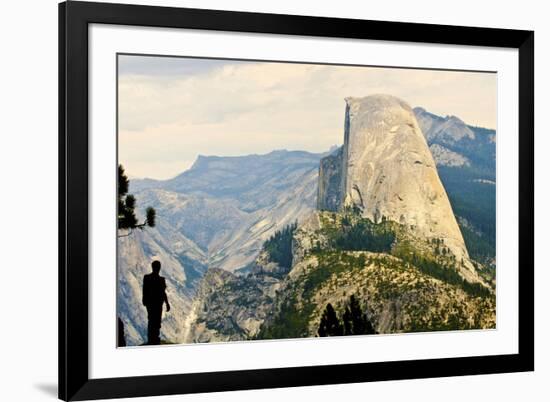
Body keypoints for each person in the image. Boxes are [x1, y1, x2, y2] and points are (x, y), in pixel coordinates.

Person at [142, 260, 170, 345]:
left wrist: (144, 299)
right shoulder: (161, 280)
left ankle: (152, 339)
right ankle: (154, 339)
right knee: (156, 321)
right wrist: (167, 303)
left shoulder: (147, 278)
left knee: (152, 320)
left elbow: (144, 289)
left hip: (151, 303)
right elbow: (163, 292)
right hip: (157, 304)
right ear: (159, 268)